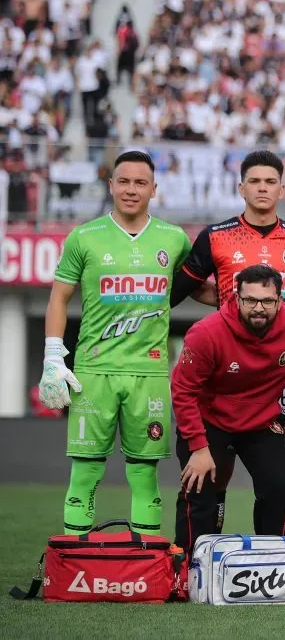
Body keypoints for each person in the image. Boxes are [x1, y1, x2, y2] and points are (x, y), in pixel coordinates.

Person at [39, 150, 191, 536]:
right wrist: (53, 358)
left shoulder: (174, 239)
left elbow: (197, 286)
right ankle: (74, 562)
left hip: (150, 372)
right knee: (85, 470)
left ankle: (147, 567)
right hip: (94, 371)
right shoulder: (84, 237)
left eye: (140, 182)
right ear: (110, 186)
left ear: (154, 189)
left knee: (144, 473)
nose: (131, 189)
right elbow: (58, 298)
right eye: (123, 181)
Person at [170, 150, 285, 541]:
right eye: (255, 181)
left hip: (275, 377)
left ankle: (272, 559)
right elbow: (182, 287)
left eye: (270, 182)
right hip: (226, 369)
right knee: (218, 469)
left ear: (282, 189)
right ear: (241, 187)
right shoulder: (215, 236)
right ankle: (202, 552)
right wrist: (223, 304)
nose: (262, 188)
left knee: (276, 480)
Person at [172, 265, 285, 553]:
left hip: (260, 422)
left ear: (280, 300)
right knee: (199, 491)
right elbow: (183, 391)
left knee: (279, 491)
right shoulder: (206, 333)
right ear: (236, 298)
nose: (259, 308)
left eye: (268, 301)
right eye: (250, 300)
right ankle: (185, 568)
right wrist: (198, 448)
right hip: (209, 420)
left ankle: (275, 562)